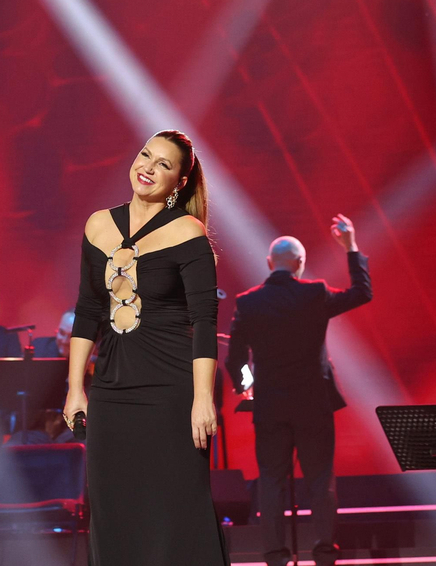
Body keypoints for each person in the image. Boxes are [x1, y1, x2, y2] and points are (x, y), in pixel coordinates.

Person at [64, 130, 228, 566]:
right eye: (145, 155)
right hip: (112, 390)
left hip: (170, 392)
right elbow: (87, 311)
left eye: (164, 165)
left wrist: (202, 398)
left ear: (179, 183)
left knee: (174, 513)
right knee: (114, 511)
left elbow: (205, 321)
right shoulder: (98, 224)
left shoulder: (187, 231)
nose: (148, 168)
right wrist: (75, 389)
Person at [225, 216, 372, 566]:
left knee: (271, 483)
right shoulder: (314, 293)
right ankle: (324, 555)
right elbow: (362, 293)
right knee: (320, 481)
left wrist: (246, 386)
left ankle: (275, 557)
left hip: (270, 407)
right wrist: (350, 247)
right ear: (301, 263)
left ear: (269, 263)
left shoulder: (249, 302)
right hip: (312, 405)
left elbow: (234, 358)